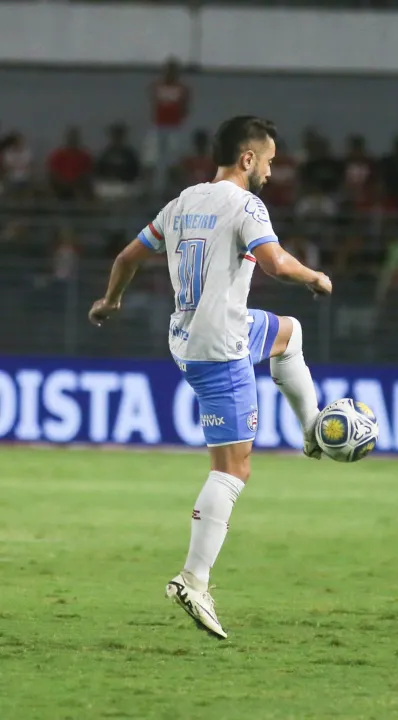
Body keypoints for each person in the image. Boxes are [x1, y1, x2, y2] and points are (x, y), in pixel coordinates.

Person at [87, 116, 333, 639]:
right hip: (220, 347)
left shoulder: (183, 201)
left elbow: (128, 255)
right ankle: (192, 580)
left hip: (191, 333)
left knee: (288, 333)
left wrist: (111, 300)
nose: (270, 169)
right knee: (234, 468)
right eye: (268, 160)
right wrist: (313, 276)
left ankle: (312, 429)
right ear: (248, 159)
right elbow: (273, 261)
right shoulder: (246, 204)